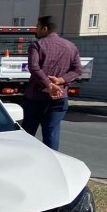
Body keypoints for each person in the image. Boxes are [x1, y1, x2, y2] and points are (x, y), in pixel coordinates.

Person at [24, 15, 82, 151]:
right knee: (51, 133)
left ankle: (25, 160)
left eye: (37, 27)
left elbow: (34, 67)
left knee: (27, 134)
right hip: (59, 98)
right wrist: (61, 80)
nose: (36, 30)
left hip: (36, 97)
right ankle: (52, 160)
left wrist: (49, 85)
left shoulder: (37, 45)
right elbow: (78, 70)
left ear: (45, 28)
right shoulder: (71, 46)